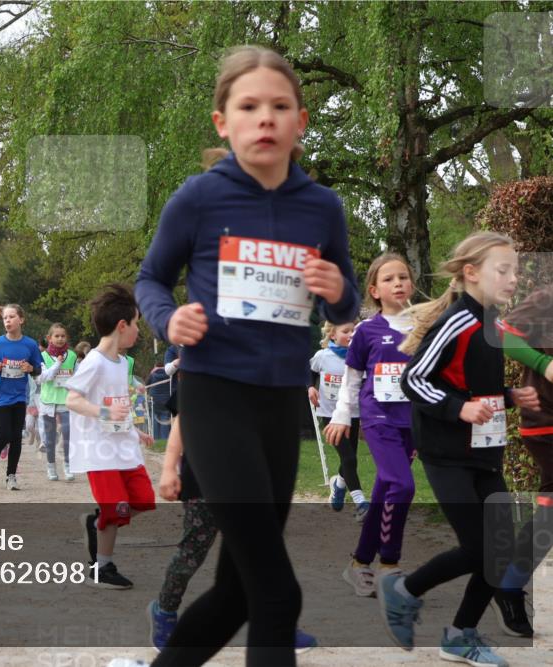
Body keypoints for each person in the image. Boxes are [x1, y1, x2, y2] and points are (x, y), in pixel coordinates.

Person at [132, 45, 359, 666]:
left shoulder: (322, 208)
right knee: (277, 594)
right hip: (214, 398)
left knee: (238, 590)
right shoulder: (200, 198)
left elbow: (345, 303)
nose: (265, 119)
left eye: (279, 106)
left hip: (280, 406)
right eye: (249, 106)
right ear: (222, 123)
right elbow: (150, 278)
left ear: (300, 121)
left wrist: (340, 293)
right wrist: (167, 317)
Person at [378, 231, 540, 666]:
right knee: (479, 548)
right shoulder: (459, 319)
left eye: (515, 271)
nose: (512, 279)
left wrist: (509, 396)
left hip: (484, 453)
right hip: (447, 452)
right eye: (502, 271)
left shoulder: (489, 323)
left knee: (500, 546)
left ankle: (460, 635)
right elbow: (413, 380)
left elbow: (469, 384)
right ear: (470, 273)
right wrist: (459, 410)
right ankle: (405, 590)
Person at [152, 407, 317, 654]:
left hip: (248, 479)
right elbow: (183, 416)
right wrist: (168, 468)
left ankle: (278, 627)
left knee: (262, 554)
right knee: (191, 555)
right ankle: (164, 611)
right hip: (204, 480)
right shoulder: (206, 368)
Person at [324, 253, 416, 597]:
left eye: (403, 277)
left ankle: (359, 562)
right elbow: (351, 378)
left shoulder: (423, 326)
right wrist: (341, 416)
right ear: (375, 290)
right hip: (378, 418)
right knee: (403, 487)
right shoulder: (367, 330)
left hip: (412, 420)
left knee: (385, 491)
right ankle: (389, 565)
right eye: (390, 279)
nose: (398, 283)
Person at [67, 284, 156, 589]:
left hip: (124, 447)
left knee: (144, 499)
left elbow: (116, 405)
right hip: (99, 452)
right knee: (116, 506)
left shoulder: (121, 363)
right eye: (136, 324)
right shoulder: (94, 361)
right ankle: (102, 567)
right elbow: (72, 400)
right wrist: (103, 415)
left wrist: (135, 430)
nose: (138, 331)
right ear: (122, 326)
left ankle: (96, 522)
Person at [490, 285, 553, 637]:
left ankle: (509, 584)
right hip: (546, 422)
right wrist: (545, 364)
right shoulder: (548, 298)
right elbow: (504, 334)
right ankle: (509, 585)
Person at [309, 320, 367, 518]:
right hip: (330, 415)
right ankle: (361, 503)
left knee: (350, 459)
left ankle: (339, 483)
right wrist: (310, 387)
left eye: (354, 331)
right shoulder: (322, 356)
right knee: (349, 458)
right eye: (346, 331)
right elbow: (310, 372)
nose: (351, 334)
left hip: (353, 414)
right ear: (333, 335)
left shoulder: (360, 357)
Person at [0, 304, 43, 490]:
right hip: (1, 396)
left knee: (16, 437)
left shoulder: (30, 345)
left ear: (21, 320)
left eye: (11, 317)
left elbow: (38, 369)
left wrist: (31, 368)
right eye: (5, 318)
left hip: (19, 396)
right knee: (5, 433)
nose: (7, 320)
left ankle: (11, 476)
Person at [37, 323, 77, 481]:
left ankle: (68, 466)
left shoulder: (72, 356)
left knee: (68, 434)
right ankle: (51, 467)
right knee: (50, 438)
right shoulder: (42, 356)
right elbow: (42, 378)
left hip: (66, 401)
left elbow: (78, 376)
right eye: (56, 336)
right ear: (49, 338)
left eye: (63, 336)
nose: (60, 339)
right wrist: (57, 363)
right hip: (48, 401)